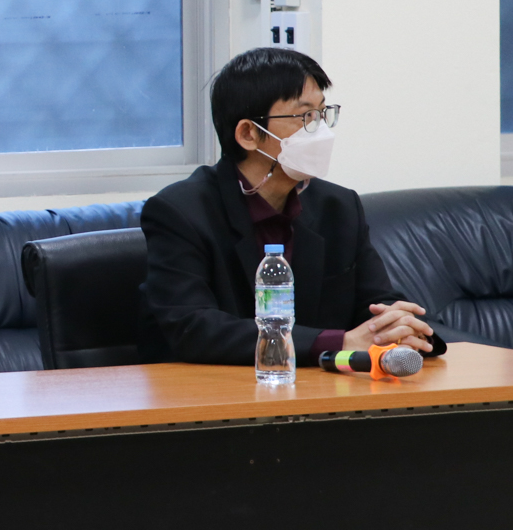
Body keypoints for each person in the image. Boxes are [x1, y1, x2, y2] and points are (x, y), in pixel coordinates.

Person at [139, 47, 445, 365]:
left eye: (323, 114)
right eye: (305, 117)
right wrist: (339, 342)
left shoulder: (339, 207)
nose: (321, 131)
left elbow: (376, 302)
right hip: (217, 386)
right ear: (248, 134)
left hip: (321, 385)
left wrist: (399, 327)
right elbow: (194, 327)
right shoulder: (181, 212)